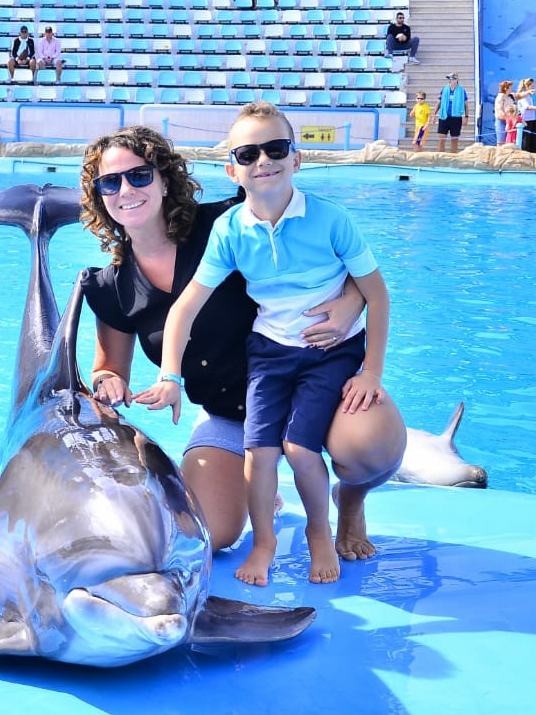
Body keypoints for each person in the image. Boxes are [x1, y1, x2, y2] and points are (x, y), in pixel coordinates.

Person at [78, 124, 404, 572]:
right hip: (232, 413)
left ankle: (350, 500)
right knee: (208, 533)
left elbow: (332, 255)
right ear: (99, 197)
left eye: (139, 175)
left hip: (315, 382)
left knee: (368, 447)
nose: (126, 190)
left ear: (164, 180)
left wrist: (352, 302)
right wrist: (108, 380)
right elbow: (109, 367)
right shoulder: (111, 286)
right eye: (110, 183)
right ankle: (262, 494)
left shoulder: (226, 224)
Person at [436, 73, 468, 153]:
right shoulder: (444, 90)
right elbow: (439, 102)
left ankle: (453, 156)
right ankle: (441, 156)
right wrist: (434, 113)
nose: (450, 80)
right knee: (441, 138)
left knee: (454, 139)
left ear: (456, 80)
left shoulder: (462, 91)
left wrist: (466, 116)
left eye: (451, 79)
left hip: (456, 117)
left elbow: (466, 104)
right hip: (444, 116)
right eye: (449, 79)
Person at [515, 77, 536, 154]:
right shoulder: (522, 95)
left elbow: (535, 104)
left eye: (534, 86)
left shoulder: (533, 95)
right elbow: (527, 107)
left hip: (535, 120)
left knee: (534, 141)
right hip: (526, 121)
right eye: (532, 86)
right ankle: (524, 156)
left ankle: (535, 155)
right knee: (526, 141)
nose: (534, 88)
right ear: (526, 86)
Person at [493, 80, 516, 146]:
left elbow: (519, 95)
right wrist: (508, 119)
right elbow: (500, 111)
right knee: (501, 142)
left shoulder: (510, 96)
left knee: (509, 142)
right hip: (502, 121)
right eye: (510, 87)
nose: (511, 89)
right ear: (506, 88)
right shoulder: (500, 97)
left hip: (510, 121)